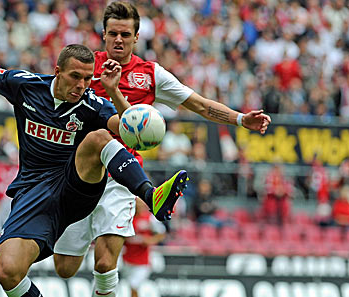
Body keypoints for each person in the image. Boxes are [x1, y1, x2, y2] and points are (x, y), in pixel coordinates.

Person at [0, 44, 188, 297]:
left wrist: (113, 91)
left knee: (99, 138)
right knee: (8, 271)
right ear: (57, 70)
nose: (81, 85)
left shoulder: (93, 105)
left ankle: (151, 195)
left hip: (75, 185)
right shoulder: (26, 85)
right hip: (33, 191)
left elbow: (128, 130)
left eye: (87, 78)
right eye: (75, 76)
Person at [53, 3, 271, 297]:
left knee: (105, 263)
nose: (119, 39)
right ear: (103, 35)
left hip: (121, 177)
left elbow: (200, 104)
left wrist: (241, 119)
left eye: (125, 34)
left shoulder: (151, 74)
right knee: (64, 268)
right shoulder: (84, 68)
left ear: (136, 37)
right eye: (113, 33)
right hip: (77, 174)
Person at [121, 198, 166, 297]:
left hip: (142, 261)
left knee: (133, 285)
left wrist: (150, 240)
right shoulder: (126, 217)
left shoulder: (149, 218)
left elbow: (162, 233)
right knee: (129, 286)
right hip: (127, 259)